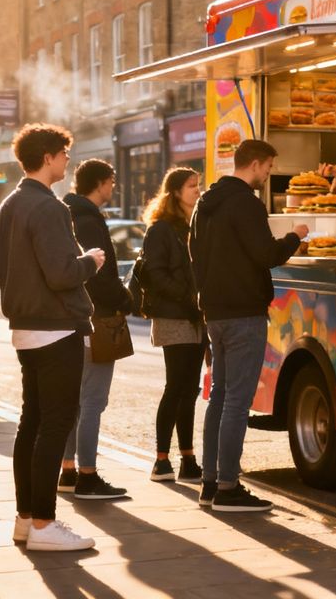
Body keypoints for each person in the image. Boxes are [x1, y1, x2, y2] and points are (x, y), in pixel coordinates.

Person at [0, 124, 104, 552]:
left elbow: (8, 270)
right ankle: (43, 523)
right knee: (56, 423)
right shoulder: (50, 208)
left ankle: (25, 519)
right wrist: (90, 262)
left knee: (33, 422)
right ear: (48, 158)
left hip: (25, 328)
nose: (67, 161)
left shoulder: (9, 205)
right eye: (63, 154)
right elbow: (61, 273)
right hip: (56, 327)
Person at [192, 140, 307, 512]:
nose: (268, 175)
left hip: (216, 312)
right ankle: (228, 488)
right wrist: (296, 236)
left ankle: (210, 483)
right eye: (269, 168)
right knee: (237, 402)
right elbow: (266, 254)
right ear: (255, 164)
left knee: (221, 397)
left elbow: (196, 257)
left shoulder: (204, 203)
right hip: (244, 313)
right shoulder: (246, 204)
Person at [56, 159, 130, 500]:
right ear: (101, 182)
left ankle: (69, 471)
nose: (112, 187)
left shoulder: (70, 214)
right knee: (92, 401)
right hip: (97, 319)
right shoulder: (88, 220)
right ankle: (87, 475)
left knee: (75, 400)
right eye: (111, 181)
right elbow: (98, 275)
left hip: (78, 318)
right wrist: (126, 298)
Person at [140, 167, 204, 484]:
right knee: (175, 387)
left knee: (190, 390)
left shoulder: (196, 226)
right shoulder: (161, 230)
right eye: (192, 186)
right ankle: (161, 460)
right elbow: (156, 274)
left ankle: (188, 458)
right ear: (175, 192)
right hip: (174, 316)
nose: (198, 190)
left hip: (196, 317)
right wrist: (188, 296)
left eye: (198, 185)